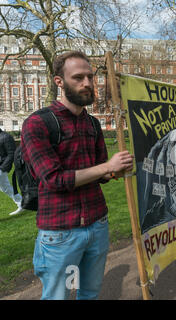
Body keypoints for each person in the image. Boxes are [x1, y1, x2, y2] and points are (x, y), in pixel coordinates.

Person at [21, 51, 134, 300]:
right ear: (58, 81)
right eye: (78, 78)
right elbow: (54, 179)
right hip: (60, 232)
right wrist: (106, 167)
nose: (87, 84)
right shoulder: (37, 123)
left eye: (90, 77)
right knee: (57, 297)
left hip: (97, 224)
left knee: (90, 293)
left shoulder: (92, 123)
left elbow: (100, 174)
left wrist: (115, 170)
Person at [0, 128, 23, 216]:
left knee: (5, 188)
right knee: (5, 188)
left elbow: (11, 153)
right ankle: (21, 203)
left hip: (2, 167)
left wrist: (2, 168)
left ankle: (21, 203)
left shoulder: (6, 137)